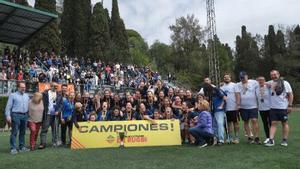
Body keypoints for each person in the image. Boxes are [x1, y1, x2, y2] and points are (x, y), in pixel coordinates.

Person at [265, 70, 293, 147]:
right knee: (273, 123)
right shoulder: (269, 83)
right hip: (273, 108)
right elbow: (261, 82)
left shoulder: (285, 83)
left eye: (275, 74)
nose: (273, 76)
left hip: (283, 107)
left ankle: (284, 140)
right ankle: (271, 140)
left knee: (284, 123)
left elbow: (290, 94)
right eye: (272, 75)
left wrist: (290, 105)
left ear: (278, 74)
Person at [5, 82, 30, 155]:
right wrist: (8, 115)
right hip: (16, 115)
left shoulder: (26, 96)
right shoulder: (13, 95)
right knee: (14, 132)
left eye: (24, 87)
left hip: (25, 115)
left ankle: (22, 147)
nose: (23, 88)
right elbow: (8, 107)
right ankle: (13, 148)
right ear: (18, 88)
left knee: (23, 132)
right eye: (22, 87)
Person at [236, 71, 260, 144]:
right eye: (241, 78)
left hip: (253, 106)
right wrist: (238, 105)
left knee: (254, 120)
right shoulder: (237, 84)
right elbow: (238, 94)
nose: (242, 79)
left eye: (243, 77)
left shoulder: (254, 82)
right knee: (246, 121)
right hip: (243, 107)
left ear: (247, 76)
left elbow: (261, 85)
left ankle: (256, 137)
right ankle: (249, 137)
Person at [39, 82, 62, 149]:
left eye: (56, 87)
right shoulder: (45, 93)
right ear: (50, 86)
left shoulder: (59, 94)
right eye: (54, 86)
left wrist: (58, 111)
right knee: (44, 129)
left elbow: (61, 105)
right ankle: (43, 143)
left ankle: (55, 142)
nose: (55, 88)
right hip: (47, 114)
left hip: (55, 114)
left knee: (55, 129)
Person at [221, 74, 240, 144]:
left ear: (230, 78)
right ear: (223, 79)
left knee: (236, 123)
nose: (226, 78)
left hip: (234, 107)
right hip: (226, 108)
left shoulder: (234, 85)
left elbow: (237, 95)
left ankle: (237, 137)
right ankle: (230, 138)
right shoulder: (222, 87)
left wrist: (238, 105)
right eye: (225, 77)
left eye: (227, 77)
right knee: (228, 123)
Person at [256, 76, 271, 144]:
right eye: (259, 80)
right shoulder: (256, 88)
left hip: (270, 108)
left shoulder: (268, 86)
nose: (261, 81)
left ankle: (271, 138)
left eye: (262, 80)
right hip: (261, 109)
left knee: (271, 123)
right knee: (265, 123)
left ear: (265, 80)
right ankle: (267, 137)